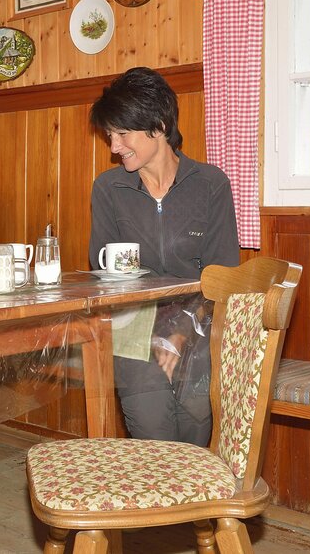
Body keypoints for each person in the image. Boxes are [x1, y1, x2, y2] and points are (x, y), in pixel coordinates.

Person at [88, 66, 239, 446]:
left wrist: (179, 334)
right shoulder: (110, 188)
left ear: (157, 125)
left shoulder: (210, 185)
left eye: (122, 133)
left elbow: (223, 277)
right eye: (110, 134)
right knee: (153, 439)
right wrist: (152, 332)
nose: (114, 145)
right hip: (133, 328)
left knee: (192, 436)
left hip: (199, 328)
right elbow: (102, 268)